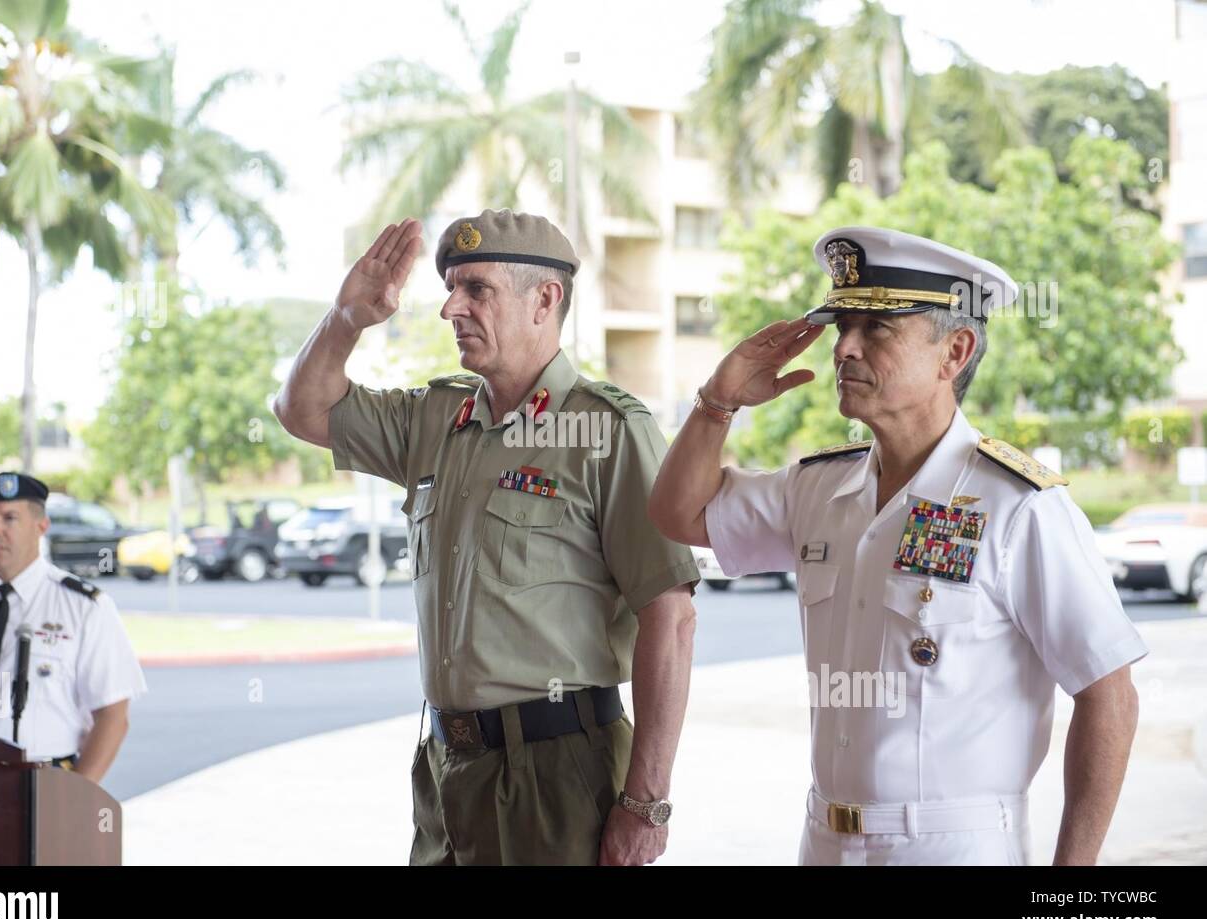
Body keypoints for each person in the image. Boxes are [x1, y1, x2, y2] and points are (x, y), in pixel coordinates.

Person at [649, 226, 1145, 865]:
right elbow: (678, 513)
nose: (844, 348)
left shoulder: (1020, 507)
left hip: (953, 849)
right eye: (841, 326)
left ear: (955, 352)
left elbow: (1109, 693)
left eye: (877, 328)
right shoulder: (818, 488)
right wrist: (719, 401)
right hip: (824, 841)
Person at [274, 210, 699, 865]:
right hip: (449, 765)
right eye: (449, 287)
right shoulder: (436, 419)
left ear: (545, 299)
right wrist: (346, 317)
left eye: (476, 289)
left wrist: (646, 802)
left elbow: (669, 618)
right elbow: (302, 408)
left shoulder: (607, 430)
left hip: (561, 769)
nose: (450, 307)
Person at [0, 473, 146, 785]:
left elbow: (113, 716)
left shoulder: (83, 607)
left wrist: (77, 800)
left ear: (41, 525)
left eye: (9, 519)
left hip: (44, 781)